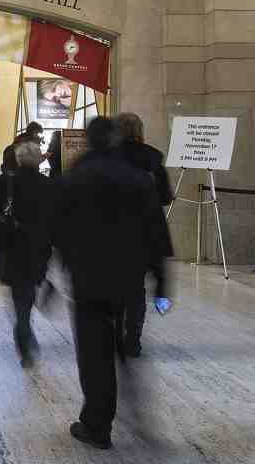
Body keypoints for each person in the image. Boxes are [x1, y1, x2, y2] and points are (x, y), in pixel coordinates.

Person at [55, 116, 171, 450]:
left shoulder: (75, 177)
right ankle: (135, 408)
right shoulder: (138, 179)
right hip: (128, 275)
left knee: (94, 354)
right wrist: (161, 281)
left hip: (89, 279)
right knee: (121, 343)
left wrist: (50, 270)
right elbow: (156, 233)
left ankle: (97, 424)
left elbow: (58, 228)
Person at [115, 112, 174, 357]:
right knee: (136, 287)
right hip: (146, 229)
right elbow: (165, 196)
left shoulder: (109, 157)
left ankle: (116, 335)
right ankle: (134, 339)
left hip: (114, 229)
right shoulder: (152, 157)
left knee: (115, 284)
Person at [0, 141, 52, 367]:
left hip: (13, 246)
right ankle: (25, 332)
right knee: (29, 293)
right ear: (38, 160)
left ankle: (24, 335)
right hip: (38, 248)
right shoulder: (47, 185)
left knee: (19, 296)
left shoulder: (7, 183)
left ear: (18, 159)